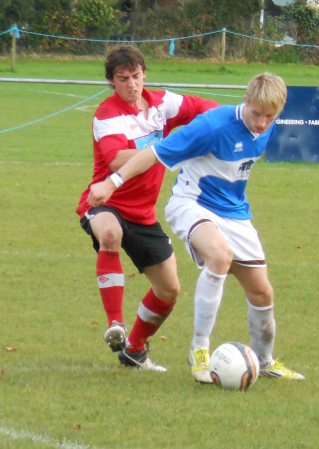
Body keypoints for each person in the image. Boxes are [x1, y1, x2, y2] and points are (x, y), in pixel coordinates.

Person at [87, 72, 304, 381]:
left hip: (235, 213)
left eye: (270, 116)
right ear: (246, 101)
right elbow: (153, 154)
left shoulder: (266, 126)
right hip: (192, 204)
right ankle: (199, 351)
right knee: (219, 255)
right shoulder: (212, 126)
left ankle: (265, 361)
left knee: (262, 293)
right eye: (256, 114)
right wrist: (112, 182)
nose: (261, 122)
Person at [76, 45, 218, 371]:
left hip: (144, 214)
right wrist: (169, 147)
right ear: (112, 82)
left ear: (145, 74)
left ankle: (135, 350)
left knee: (169, 290)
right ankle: (116, 324)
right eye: (123, 79)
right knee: (109, 233)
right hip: (105, 201)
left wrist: (222, 121)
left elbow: (203, 107)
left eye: (136, 76)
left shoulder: (162, 103)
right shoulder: (106, 115)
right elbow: (117, 159)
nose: (132, 84)